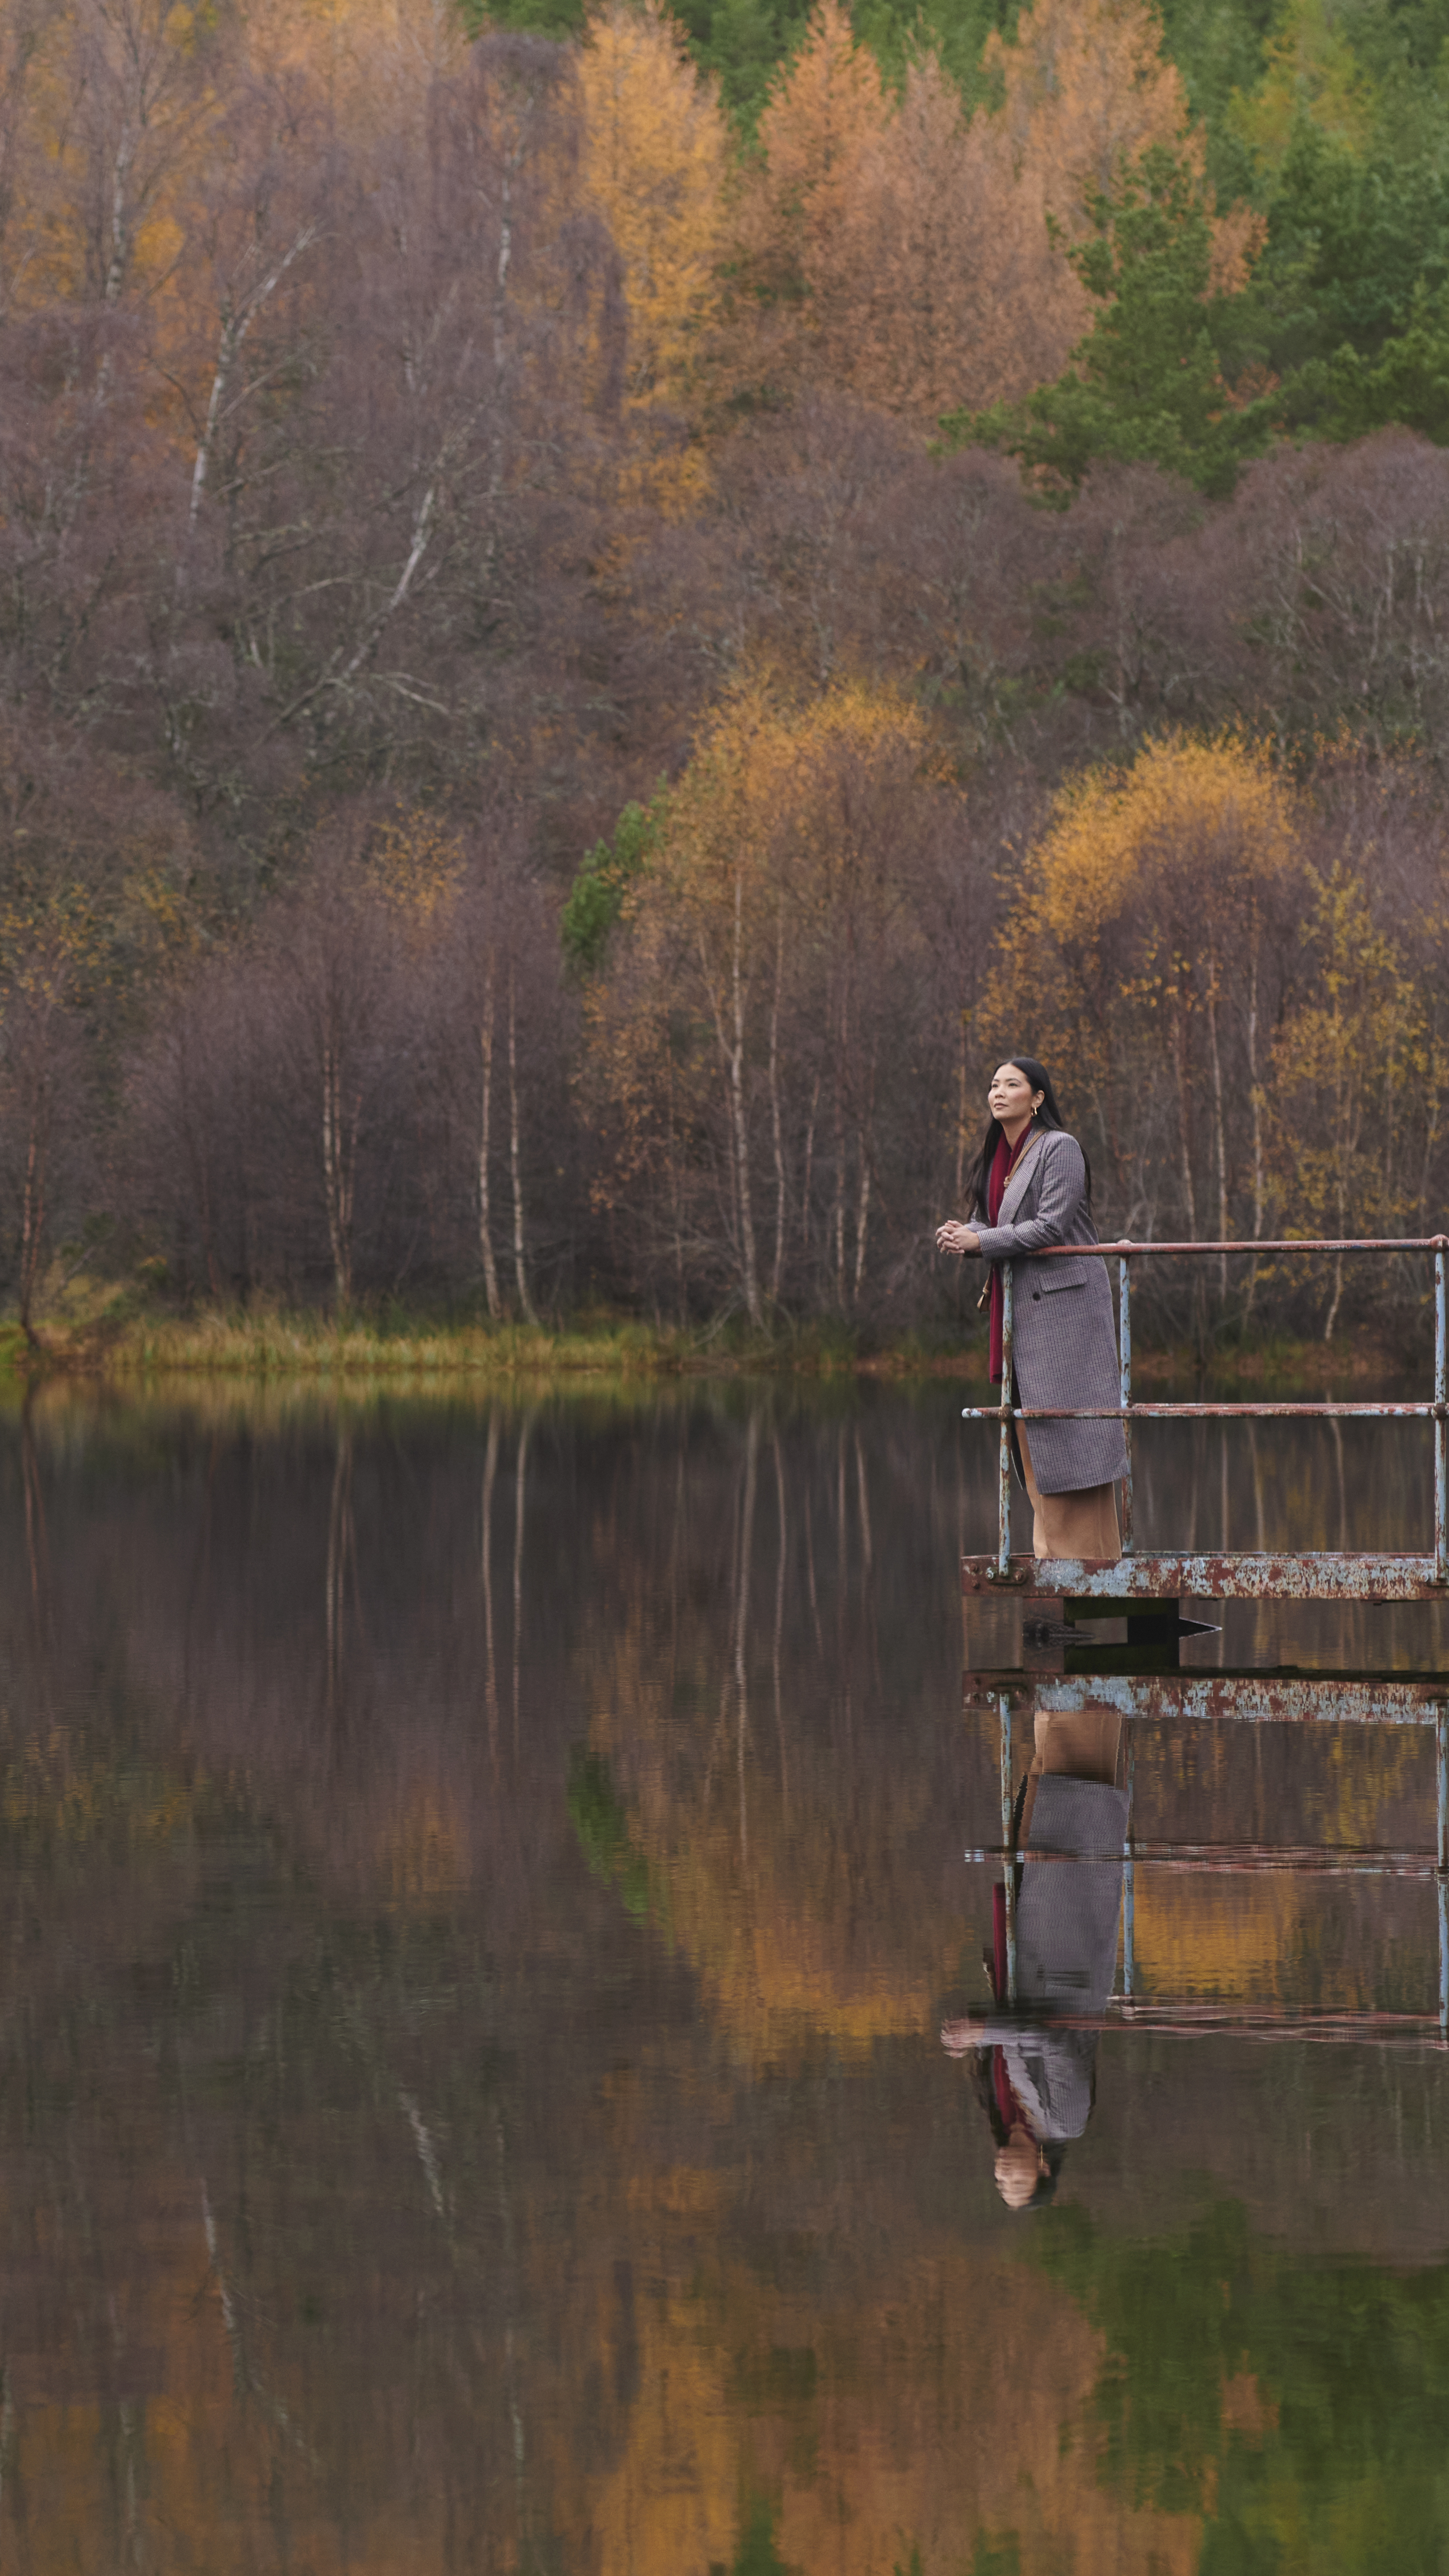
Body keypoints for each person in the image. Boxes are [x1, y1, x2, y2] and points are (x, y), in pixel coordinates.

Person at [936, 1055, 1126, 1563]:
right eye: (993, 1083)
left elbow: (1051, 1226)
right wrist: (964, 1233)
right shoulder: (999, 1155)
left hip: (1067, 1311)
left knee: (1069, 1430)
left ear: (1037, 1097)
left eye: (1011, 1084)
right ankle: (1053, 1554)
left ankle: (1085, 1559)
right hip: (1025, 1312)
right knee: (1031, 1430)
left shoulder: (1058, 1148)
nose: (998, 1092)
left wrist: (981, 1242)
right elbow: (989, 1221)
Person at [941, 1706, 1127, 2209]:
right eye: (1015, 2184)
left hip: (1038, 1942)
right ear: (1043, 2167)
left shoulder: (1013, 2112)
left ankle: (1057, 1702)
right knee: (1075, 1789)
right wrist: (984, 2031)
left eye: (1001, 2185)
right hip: (1069, 1944)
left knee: (1041, 1794)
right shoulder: (1066, 2119)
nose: (1002, 2176)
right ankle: (1085, 1692)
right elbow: (1053, 2039)